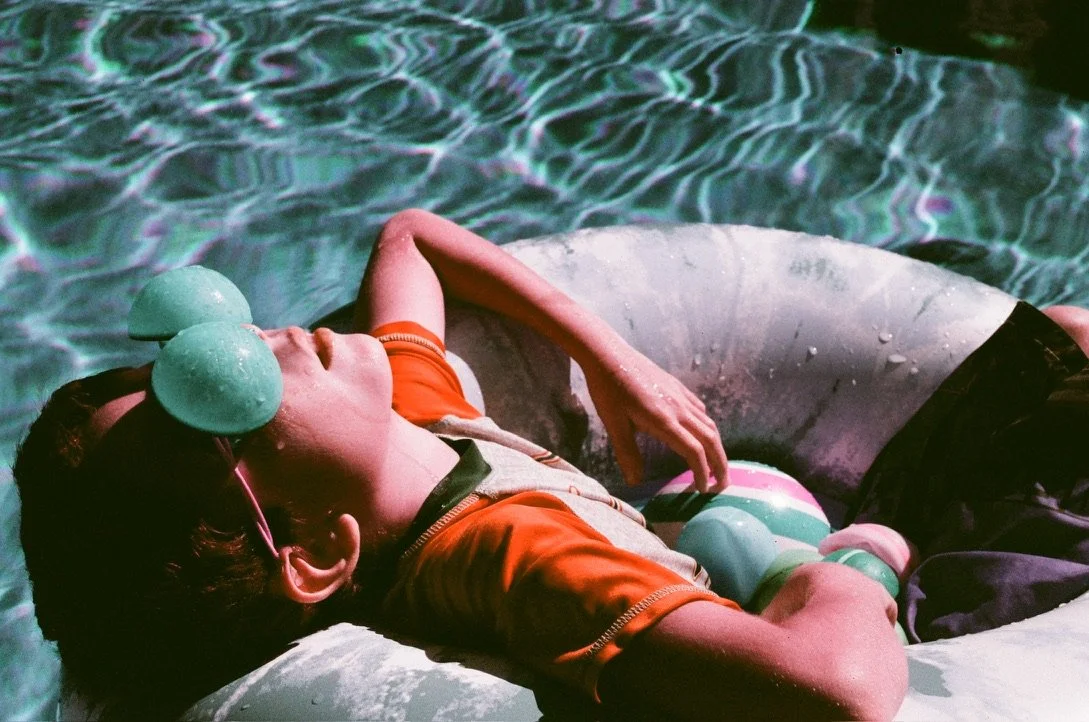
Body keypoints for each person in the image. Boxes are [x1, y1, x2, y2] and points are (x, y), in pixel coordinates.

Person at [18, 209, 926, 721]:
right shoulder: (516, 560)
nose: (262, 337)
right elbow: (835, 694)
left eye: (190, 351)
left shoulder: (415, 413)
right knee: (745, 519)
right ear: (317, 552)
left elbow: (409, 237)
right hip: (767, 599)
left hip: (655, 536)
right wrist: (848, 565)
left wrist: (612, 356)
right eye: (225, 393)